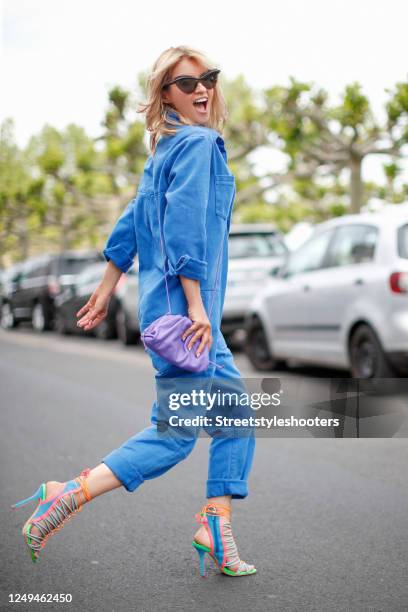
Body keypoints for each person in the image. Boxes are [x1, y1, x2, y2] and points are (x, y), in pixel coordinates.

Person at [11, 46, 256, 578]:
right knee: (174, 435)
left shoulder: (164, 151)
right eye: (185, 83)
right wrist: (196, 305)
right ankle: (66, 494)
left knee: (236, 416)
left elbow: (131, 221)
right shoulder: (197, 144)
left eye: (207, 80)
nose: (201, 90)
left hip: (174, 316)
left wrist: (105, 287)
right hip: (186, 320)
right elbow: (188, 224)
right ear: (163, 94)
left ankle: (215, 522)